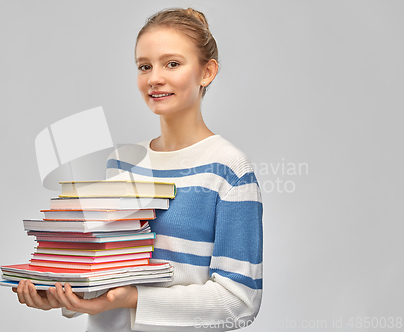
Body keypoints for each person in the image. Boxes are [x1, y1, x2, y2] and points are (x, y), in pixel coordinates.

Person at [14, 7, 263, 331]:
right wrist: (62, 293)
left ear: (207, 72)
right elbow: (105, 269)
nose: (154, 77)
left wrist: (135, 298)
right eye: (145, 66)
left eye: (172, 63)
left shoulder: (230, 171)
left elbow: (240, 302)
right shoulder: (122, 164)